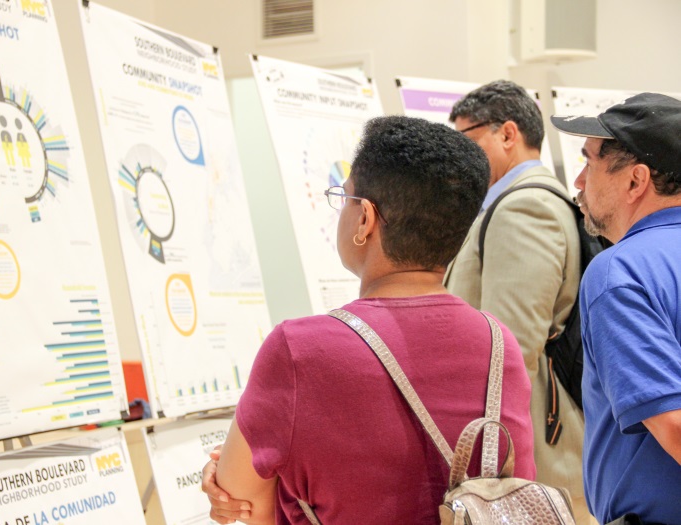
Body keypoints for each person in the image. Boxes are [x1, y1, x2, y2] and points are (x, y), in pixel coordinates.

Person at [202, 116, 535, 524]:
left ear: (365, 219)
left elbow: (240, 504)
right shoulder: (500, 345)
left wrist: (233, 477)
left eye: (343, 197)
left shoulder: (299, 350)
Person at [444, 80, 591, 522]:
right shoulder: (510, 204)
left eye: (465, 140)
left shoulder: (524, 207)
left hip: (531, 451)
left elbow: (510, 351)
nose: (457, 155)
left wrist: (497, 462)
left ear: (508, 134)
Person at [551, 92, 681, 524]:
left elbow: (674, 424)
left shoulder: (620, 271)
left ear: (635, 180)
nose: (579, 182)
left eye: (590, 162)